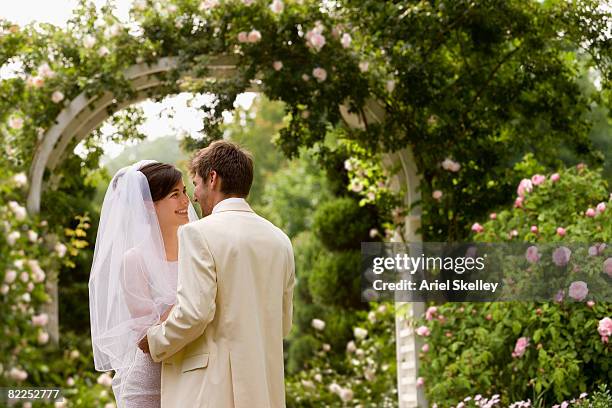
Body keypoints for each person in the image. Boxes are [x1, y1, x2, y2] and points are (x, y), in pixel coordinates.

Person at [139, 140, 296, 408]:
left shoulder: (196, 233)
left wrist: (154, 339)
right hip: (265, 392)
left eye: (196, 184)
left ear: (213, 178)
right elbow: (283, 323)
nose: (194, 197)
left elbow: (194, 314)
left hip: (211, 392)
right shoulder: (280, 240)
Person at [89, 161, 198, 407]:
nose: (186, 202)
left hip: (194, 377)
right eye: (175, 195)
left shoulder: (198, 251)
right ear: (149, 204)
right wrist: (190, 301)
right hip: (150, 386)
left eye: (184, 192)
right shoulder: (135, 260)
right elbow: (144, 337)